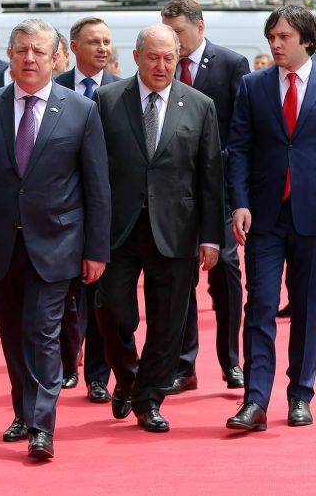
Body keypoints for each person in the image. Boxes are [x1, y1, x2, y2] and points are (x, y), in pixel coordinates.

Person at [0, 18, 111, 461]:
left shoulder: (80, 110)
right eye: (21, 50)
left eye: (38, 51)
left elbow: (97, 186)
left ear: (57, 58)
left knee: (41, 332)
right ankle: (23, 410)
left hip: (58, 243)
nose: (29, 58)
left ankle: (42, 425)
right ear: (9, 53)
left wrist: (97, 249)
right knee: (12, 333)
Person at [226, 5, 316, 432]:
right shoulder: (253, 86)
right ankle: (255, 401)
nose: (275, 44)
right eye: (272, 36)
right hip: (264, 216)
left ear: (308, 40)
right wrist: (240, 202)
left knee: (306, 306)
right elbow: (239, 150)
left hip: (314, 213)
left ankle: (300, 395)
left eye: (284, 36)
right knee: (261, 305)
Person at [93, 24, 224, 433]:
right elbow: (93, 170)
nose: (162, 65)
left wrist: (211, 236)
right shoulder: (106, 99)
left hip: (177, 228)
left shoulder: (200, 105)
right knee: (111, 309)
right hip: (119, 227)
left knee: (168, 322)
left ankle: (148, 399)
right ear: (136, 58)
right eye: (153, 57)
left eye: (169, 58)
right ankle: (128, 376)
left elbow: (210, 176)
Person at [161, 0, 250, 394]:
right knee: (180, 280)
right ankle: (185, 365)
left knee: (226, 272)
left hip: (220, 191)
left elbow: (241, 129)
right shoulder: (161, 67)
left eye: (177, 32)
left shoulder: (231, 64)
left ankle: (231, 362)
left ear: (199, 26)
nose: (172, 41)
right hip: (176, 194)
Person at [53, 16, 118, 403]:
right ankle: (64, 365)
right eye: (94, 42)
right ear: (73, 47)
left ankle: (98, 375)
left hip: (107, 209)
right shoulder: (54, 88)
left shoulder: (122, 90)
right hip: (63, 210)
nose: (103, 49)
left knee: (102, 297)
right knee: (64, 296)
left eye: (108, 42)